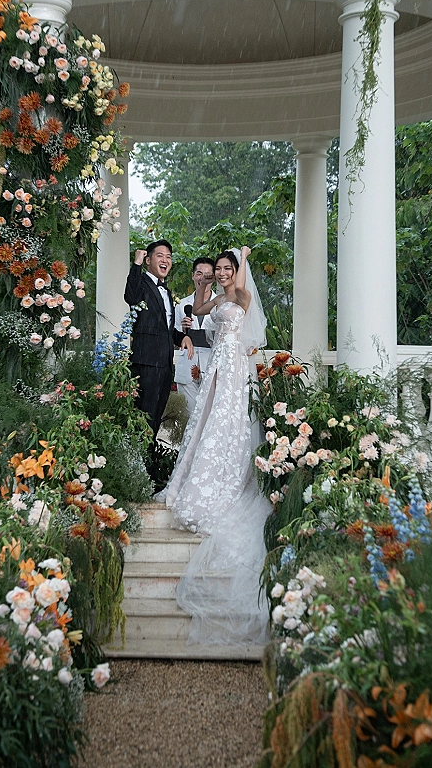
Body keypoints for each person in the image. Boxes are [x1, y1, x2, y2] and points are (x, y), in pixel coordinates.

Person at [158, 247, 272, 646]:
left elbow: (238, 289)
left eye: (227, 270)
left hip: (235, 367)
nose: (223, 274)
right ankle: (199, 478)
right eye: (219, 269)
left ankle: (227, 480)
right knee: (208, 425)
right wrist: (203, 284)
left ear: (237, 273)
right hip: (217, 367)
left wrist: (241, 257)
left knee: (228, 424)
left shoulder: (241, 297)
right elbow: (200, 309)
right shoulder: (219, 298)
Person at [124, 240, 194, 470]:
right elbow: (131, 296)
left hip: (164, 365)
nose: (165, 260)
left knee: (154, 419)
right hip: (146, 363)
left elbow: (163, 328)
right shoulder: (142, 283)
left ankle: (146, 468)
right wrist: (135, 265)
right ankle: (136, 469)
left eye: (169, 257)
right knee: (142, 418)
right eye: (160, 256)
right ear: (148, 260)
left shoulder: (166, 290)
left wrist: (180, 337)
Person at [174, 256, 215, 416]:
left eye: (207, 274)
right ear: (193, 275)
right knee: (189, 418)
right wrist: (183, 332)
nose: (202, 278)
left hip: (212, 366)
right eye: (199, 273)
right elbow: (176, 340)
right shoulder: (182, 305)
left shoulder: (221, 304)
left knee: (210, 417)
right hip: (187, 366)